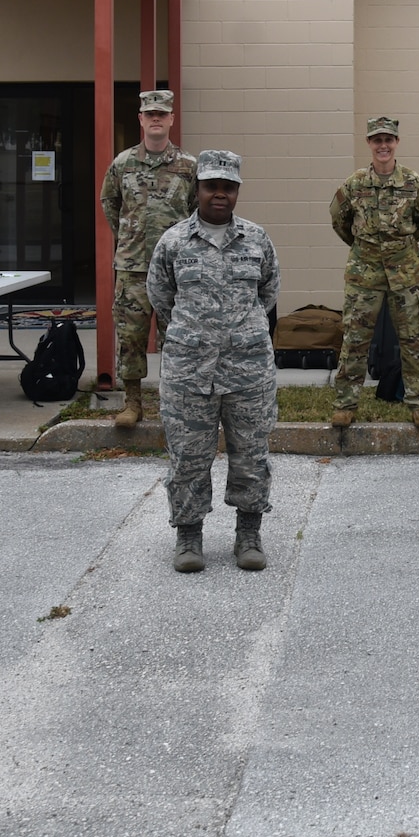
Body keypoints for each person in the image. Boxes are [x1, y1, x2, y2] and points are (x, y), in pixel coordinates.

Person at [146, 150, 280, 573]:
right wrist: (197, 335)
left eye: (228, 187)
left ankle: (248, 534)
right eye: (211, 186)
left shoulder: (258, 240)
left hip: (248, 369)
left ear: (237, 190)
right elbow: (160, 297)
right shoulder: (173, 242)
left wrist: (236, 334)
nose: (219, 194)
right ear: (198, 189)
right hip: (189, 371)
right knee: (188, 456)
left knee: (251, 454)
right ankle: (188, 537)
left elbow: (269, 293)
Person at [328, 116, 419, 430]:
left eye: (388, 140)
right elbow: (339, 219)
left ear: (396, 143)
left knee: (413, 339)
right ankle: (345, 404)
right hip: (364, 273)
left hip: (405, 272)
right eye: (377, 140)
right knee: (355, 340)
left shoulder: (413, 183)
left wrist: (400, 245)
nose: (383, 146)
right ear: (369, 143)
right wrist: (365, 247)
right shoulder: (354, 184)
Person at [98, 90, 198, 428]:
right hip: (133, 268)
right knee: (131, 337)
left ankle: (174, 402)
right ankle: (133, 403)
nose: (155, 119)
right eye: (149, 114)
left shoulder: (188, 166)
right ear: (140, 119)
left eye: (162, 114)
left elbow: (197, 213)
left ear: (171, 119)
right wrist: (129, 236)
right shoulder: (123, 164)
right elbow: (110, 203)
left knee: (178, 338)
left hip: (174, 270)